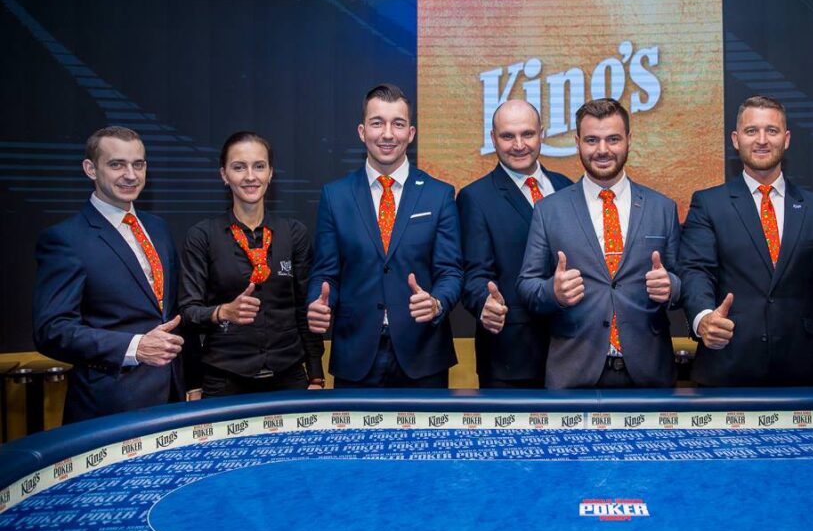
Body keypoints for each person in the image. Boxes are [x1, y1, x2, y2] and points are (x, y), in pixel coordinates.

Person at [679, 95, 813, 387]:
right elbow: (695, 270)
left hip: (803, 370)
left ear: (787, 139)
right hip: (727, 366)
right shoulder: (709, 204)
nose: (762, 140)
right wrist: (704, 317)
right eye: (751, 131)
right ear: (735, 139)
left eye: (771, 130)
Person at [517, 97, 681, 388]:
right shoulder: (549, 210)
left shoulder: (662, 208)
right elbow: (527, 286)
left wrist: (672, 287)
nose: (602, 150)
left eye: (613, 139)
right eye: (592, 140)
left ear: (629, 140)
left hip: (649, 372)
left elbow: (684, 279)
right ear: (577, 143)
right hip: (574, 372)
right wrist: (553, 292)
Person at [306, 84, 462, 387]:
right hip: (356, 355)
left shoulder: (439, 194)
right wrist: (318, 302)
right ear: (362, 131)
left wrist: (437, 302)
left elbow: (451, 271)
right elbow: (325, 273)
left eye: (398, 124)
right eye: (377, 123)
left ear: (411, 133)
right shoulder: (335, 196)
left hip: (423, 353)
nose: (388, 134)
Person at [33, 126, 186, 423]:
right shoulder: (66, 239)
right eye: (117, 164)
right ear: (90, 169)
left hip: (172, 396)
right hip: (109, 406)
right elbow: (52, 330)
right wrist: (135, 347)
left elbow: (170, 311)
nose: (130, 175)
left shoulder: (158, 228)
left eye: (138, 164)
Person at [179, 132, 325, 397]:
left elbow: (305, 308)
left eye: (259, 166)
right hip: (225, 378)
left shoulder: (293, 233)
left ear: (270, 173)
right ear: (224, 175)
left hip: (288, 375)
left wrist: (316, 375)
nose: (250, 176)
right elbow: (188, 312)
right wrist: (222, 312)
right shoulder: (202, 236)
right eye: (239, 167)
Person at [457, 100, 573, 388]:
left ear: (542, 134)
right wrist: (484, 302)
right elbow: (474, 274)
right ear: (493, 138)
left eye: (528, 134)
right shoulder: (475, 197)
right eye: (508, 136)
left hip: (574, 350)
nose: (519, 145)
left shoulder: (567, 187)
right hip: (511, 356)